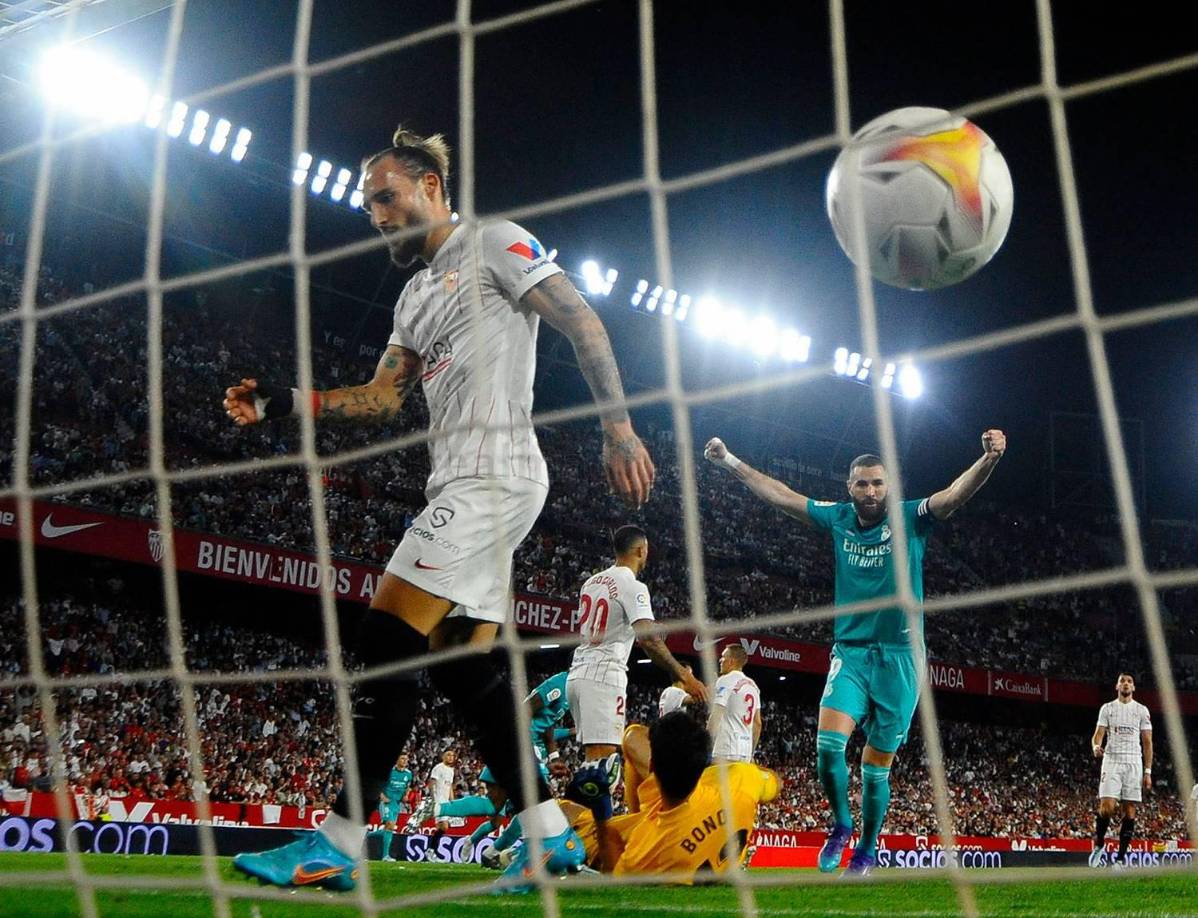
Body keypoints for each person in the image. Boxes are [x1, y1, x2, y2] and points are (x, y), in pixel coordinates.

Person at [226, 125, 655, 892]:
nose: (377, 214)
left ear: (431, 186)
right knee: (462, 669)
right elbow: (382, 398)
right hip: (460, 482)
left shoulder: (493, 241)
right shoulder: (414, 297)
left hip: (495, 476)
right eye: (368, 204)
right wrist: (289, 399)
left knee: (385, 633)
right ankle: (549, 838)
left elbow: (581, 317)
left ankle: (337, 839)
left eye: (387, 197)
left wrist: (617, 428)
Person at [703, 429, 1006, 875]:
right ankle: (841, 825)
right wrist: (730, 460)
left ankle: (865, 850)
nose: (870, 491)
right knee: (828, 747)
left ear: (890, 486)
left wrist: (989, 460)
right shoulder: (838, 518)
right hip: (852, 651)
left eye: (878, 483)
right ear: (849, 487)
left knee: (875, 765)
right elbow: (782, 496)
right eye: (862, 483)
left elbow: (951, 497)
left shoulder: (909, 518)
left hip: (901, 658)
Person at [564, 711, 780, 881]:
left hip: (603, 837)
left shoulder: (650, 844)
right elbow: (775, 782)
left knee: (559, 810)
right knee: (632, 736)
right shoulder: (739, 781)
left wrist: (602, 819)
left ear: (651, 767)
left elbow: (614, 878)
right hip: (687, 820)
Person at [566, 526, 707, 763]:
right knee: (602, 765)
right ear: (642, 550)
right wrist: (685, 676)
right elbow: (649, 640)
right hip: (604, 676)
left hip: (578, 674)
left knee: (592, 762)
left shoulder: (591, 582)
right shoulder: (633, 586)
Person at [1089, 673, 1152, 868]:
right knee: (1107, 807)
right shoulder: (1107, 709)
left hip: (1134, 761)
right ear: (1117, 686)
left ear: (1133, 688)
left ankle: (1120, 859)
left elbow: (1147, 742)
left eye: (1130, 681)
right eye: (1122, 681)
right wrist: (1095, 747)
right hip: (1112, 759)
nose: (1126, 684)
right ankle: (1099, 844)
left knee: (1130, 811)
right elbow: (1098, 735)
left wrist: (1148, 771)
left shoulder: (1141, 710)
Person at [708, 644, 761, 764]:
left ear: (731, 661)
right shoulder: (753, 686)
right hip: (745, 752)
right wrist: (751, 753)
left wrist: (705, 742)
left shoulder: (725, 680)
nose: (720, 660)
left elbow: (716, 714)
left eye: (723, 657)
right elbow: (757, 724)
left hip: (726, 748)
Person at [376, 753, 412, 862]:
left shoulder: (408, 774)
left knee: (389, 829)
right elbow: (378, 784)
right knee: (390, 825)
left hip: (397, 803)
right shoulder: (390, 771)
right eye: (402, 758)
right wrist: (382, 797)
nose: (405, 761)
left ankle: (368, 835)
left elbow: (408, 786)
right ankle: (385, 856)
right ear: (397, 760)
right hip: (387, 802)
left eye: (406, 759)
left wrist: (405, 795)